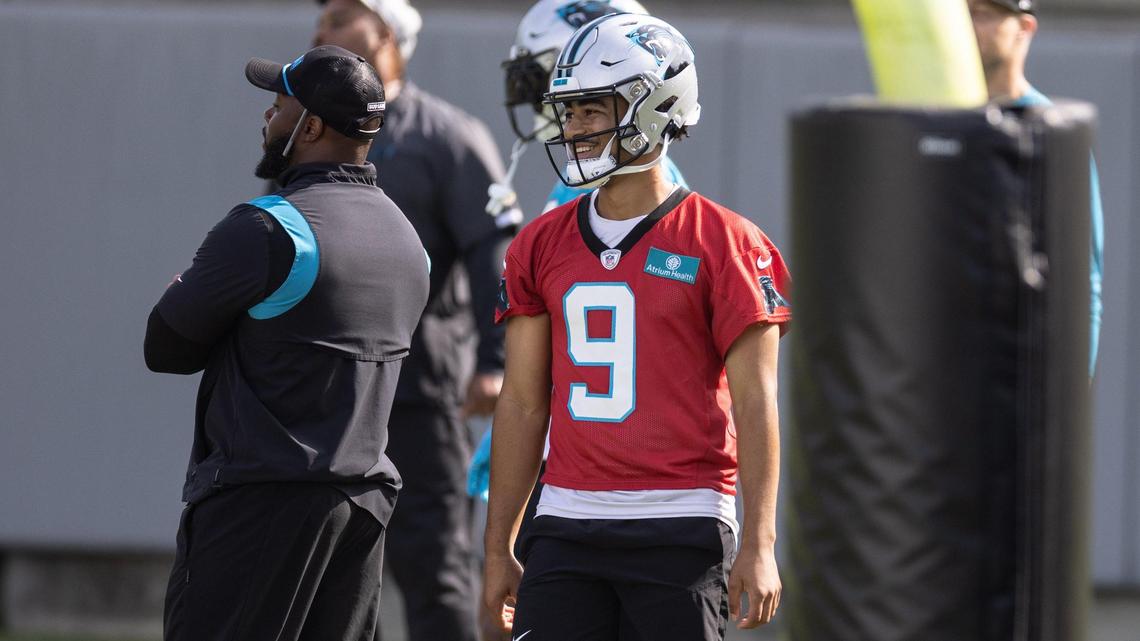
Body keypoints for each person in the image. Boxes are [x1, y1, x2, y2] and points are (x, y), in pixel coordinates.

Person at [482, 13, 790, 640]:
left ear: (657, 105)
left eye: (593, 109)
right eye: (570, 112)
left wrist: (760, 542)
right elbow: (521, 402)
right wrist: (498, 548)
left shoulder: (726, 242)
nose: (576, 128)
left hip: (681, 524)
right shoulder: (539, 242)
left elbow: (757, 403)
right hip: (565, 522)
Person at [145, 45, 429, 641]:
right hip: (363, 505)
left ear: (312, 127)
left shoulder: (266, 227)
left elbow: (165, 348)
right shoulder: (408, 241)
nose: (268, 117)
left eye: (279, 105)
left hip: (262, 506)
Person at [311, 2, 521, 640]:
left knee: (434, 566)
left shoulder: (447, 136)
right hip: (325, 396)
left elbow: (494, 252)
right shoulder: (310, 131)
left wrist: (495, 362)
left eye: (340, 16)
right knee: (330, 571)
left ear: (385, 33)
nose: (321, 30)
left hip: (420, 393)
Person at [968, 0, 1105, 375]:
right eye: (963, 12)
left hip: (1018, 379)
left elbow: (1084, 284)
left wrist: (1070, 388)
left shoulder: (1051, 132)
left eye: (983, 14)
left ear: (1024, 28)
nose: (968, 25)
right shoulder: (939, 123)